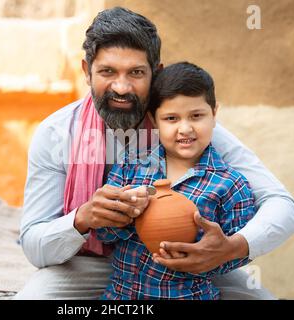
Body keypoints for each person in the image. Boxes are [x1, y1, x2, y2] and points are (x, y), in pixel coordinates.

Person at [14, 7, 294, 300]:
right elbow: (35, 246)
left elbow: (283, 205)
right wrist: (82, 218)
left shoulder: (183, 128)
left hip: (187, 268)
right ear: (87, 71)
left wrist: (232, 247)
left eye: (136, 72)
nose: (121, 87)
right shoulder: (57, 133)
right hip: (89, 264)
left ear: (156, 73)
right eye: (107, 71)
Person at [96, 61, 256, 300]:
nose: (185, 129)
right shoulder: (131, 166)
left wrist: (209, 255)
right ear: (154, 120)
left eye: (196, 116)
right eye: (171, 118)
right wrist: (125, 215)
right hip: (120, 298)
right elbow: (103, 235)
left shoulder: (231, 185)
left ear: (214, 114)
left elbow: (240, 253)